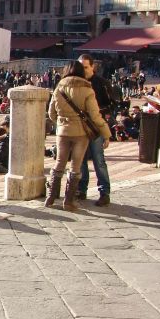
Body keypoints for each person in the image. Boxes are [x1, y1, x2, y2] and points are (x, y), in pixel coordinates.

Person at [45, 61, 111, 210]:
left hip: (62, 131)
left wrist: (62, 122)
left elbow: (51, 113)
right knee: (76, 165)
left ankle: (50, 198)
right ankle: (68, 201)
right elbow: (95, 116)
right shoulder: (87, 89)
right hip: (81, 133)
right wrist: (106, 134)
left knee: (59, 163)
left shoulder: (59, 87)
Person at [77, 54, 115, 206]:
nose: (83, 70)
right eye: (81, 67)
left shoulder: (102, 83)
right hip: (79, 127)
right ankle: (81, 189)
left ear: (92, 67)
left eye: (85, 67)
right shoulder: (76, 83)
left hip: (95, 127)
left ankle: (104, 192)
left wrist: (97, 111)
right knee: (80, 161)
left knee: (99, 160)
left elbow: (112, 104)